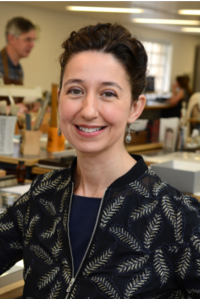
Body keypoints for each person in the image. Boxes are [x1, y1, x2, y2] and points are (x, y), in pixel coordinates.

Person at [0, 23, 200, 299]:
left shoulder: (178, 217)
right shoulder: (42, 194)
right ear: (59, 98)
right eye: (75, 91)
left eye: (108, 93)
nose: (88, 110)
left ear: (134, 108)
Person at [0, 16, 36, 113]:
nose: (32, 45)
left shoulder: (19, 69)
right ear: (11, 38)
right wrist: (8, 110)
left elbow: (13, 101)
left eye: (33, 40)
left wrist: (30, 106)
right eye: (27, 39)